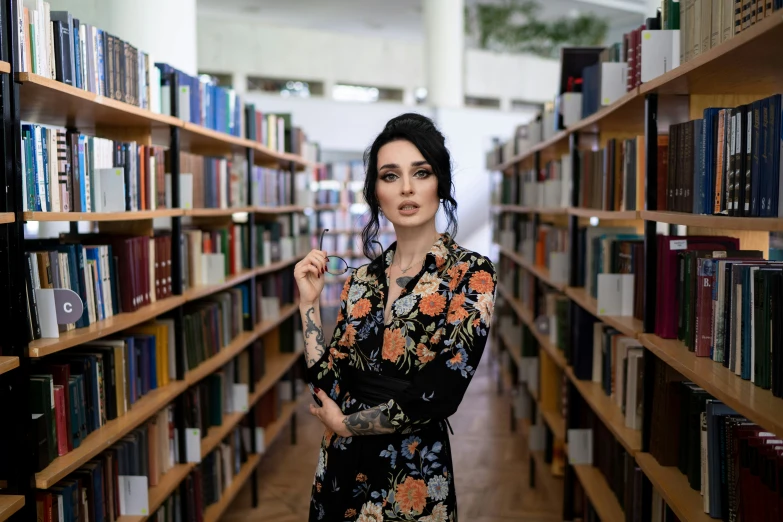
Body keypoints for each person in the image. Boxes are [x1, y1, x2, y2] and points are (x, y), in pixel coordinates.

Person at [294, 113, 496, 522]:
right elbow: (327, 381)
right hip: (340, 470)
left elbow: (441, 392)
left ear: (439, 183)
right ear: (376, 193)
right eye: (390, 176)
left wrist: (347, 424)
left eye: (420, 172)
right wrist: (309, 307)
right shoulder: (361, 280)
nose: (406, 188)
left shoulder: (471, 274)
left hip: (414, 472)